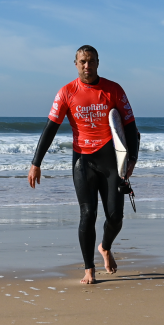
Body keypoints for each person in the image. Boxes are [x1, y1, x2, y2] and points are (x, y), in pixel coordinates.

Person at [28, 45, 139, 284]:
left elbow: (130, 127)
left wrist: (132, 159)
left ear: (98, 62)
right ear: (75, 64)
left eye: (91, 61)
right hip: (83, 160)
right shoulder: (67, 92)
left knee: (116, 217)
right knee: (87, 214)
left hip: (110, 159)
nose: (87, 65)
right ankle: (89, 269)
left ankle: (105, 247)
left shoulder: (114, 90)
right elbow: (50, 129)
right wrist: (36, 163)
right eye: (82, 62)